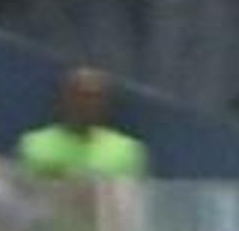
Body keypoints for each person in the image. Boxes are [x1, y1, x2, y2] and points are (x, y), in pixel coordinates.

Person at [16, 65, 145, 179]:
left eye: (95, 96)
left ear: (105, 102)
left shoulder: (127, 152)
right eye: (80, 95)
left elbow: (128, 203)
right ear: (65, 98)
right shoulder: (34, 146)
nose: (87, 104)